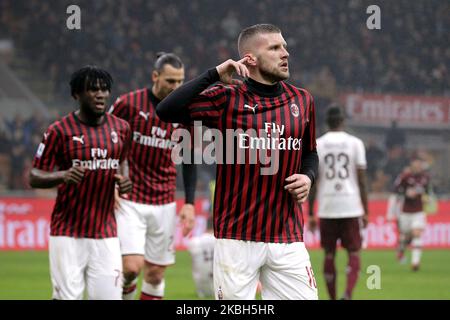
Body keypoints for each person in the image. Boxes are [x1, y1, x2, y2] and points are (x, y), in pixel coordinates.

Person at [157, 24, 319, 300]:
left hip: (288, 238)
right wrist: (217, 73)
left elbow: (310, 153)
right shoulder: (226, 98)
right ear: (250, 59)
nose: (285, 53)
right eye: (275, 48)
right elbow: (166, 110)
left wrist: (308, 177)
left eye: (284, 46)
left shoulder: (302, 100)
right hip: (236, 239)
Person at [29, 66, 132, 300]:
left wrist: (124, 181)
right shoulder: (59, 131)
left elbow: (123, 161)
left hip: (105, 231)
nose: (100, 94)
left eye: (104, 89)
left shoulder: (121, 128)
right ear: (77, 94)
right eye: (93, 89)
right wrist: (62, 175)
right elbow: (34, 176)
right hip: (67, 232)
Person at [109, 52, 197, 300]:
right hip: (130, 199)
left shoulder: (185, 112)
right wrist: (110, 182)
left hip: (164, 202)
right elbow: (108, 142)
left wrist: (189, 203)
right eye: (170, 81)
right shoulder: (129, 104)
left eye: (180, 81)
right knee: (131, 268)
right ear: (155, 77)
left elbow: (189, 160)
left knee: (156, 274)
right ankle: (126, 291)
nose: (176, 87)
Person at [308, 106, 369, 300]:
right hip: (350, 205)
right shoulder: (355, 143)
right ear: (343, 121)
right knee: (354, 251)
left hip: (327, 206)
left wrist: (310, 212)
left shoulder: (318, 144)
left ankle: (333, 298)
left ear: (327, 122)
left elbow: (313, 181)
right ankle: (348, 294)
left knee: (328, 253)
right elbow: (361, 180)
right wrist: (366, 210)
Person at [393, 156, 430, 271]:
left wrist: (426, 198)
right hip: (406, 212)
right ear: (412, 165)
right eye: (415, 165)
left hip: (418, 211)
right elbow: (396, 189)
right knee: (406, 237)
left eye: (419, 165)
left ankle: (415, 263)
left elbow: (427, 191)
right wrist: (406, 193)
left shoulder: (425, 177)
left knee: (417, 234)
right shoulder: (405, 177)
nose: (417, 167)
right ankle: (401, 249)